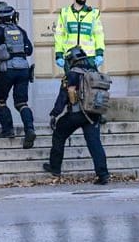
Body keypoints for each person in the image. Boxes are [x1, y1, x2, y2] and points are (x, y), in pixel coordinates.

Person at [42, 46, 110, 185]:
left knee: (59, 135)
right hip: (93, 114)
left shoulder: (72, 74)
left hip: (76, 113)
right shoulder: (93, 71)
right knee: (95, 143)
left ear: (71, 60)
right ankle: (103, 174)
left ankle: (55, 168)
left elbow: (63, 96)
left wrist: (54, 114)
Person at [0, 2, 36, 149]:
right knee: (21, 103)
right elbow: (29, 50)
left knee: (0, 99)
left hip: (7, 70)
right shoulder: (20, 30)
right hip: (24, 70)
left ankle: (8, 130)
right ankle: (29, 129)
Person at [54, 0, 105, 71]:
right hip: (70, 56)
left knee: (89, 83)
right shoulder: (64, 13)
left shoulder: (93, 13)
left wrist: (99, 54)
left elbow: (98, 35)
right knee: (71, 83)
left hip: (89, 57)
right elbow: (59, 35)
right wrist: (59, 55)